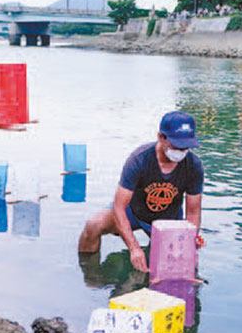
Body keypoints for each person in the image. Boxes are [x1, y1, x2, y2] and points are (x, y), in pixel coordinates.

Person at [78, 111, 205, 272]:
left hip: (169, 220)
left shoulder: (194, 165)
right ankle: (88, 269)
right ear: (161, 137)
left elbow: (193, 212)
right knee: (94, 224)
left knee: (186, 264)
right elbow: (119, 207)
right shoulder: (139, 159)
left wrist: (189, 243)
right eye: (176, 145)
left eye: (185, 146)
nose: (180, 150)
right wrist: (134, 248)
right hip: (134, 212)